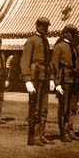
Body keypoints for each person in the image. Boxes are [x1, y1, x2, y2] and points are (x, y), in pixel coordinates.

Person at [20, 17, 55, 146]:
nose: (46, 28)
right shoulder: (31, 41)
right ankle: (32, 136)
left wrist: (51, 78)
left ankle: (41, 135)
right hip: (35, 78)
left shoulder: (45, 41)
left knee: (44, 108)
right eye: (43, 26)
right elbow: (25, 61)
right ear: (37, 26)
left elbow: (49, 61)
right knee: (34, 108)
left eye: (47, 26)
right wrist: (27, 80)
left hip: (44, 77)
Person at [52, 24, 79, 142]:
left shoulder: (74, 48)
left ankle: (70, 130)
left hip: (74, 80)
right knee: (64, 108)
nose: (72, 35)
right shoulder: (59, 47)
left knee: (73, 108)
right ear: (65, 33)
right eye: (70, 32)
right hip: (64, 80)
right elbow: (55, 65)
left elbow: (78, 66)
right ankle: (63, 132)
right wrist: (57, 83)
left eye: (74, 32)